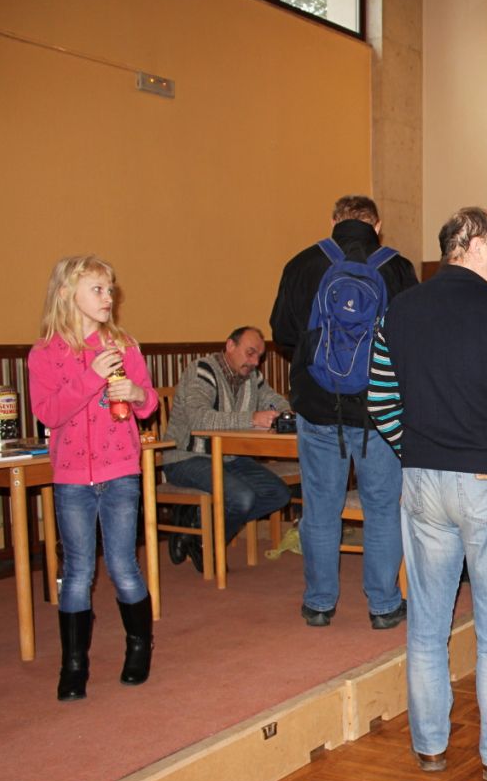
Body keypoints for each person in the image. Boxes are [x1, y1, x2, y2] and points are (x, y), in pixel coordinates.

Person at [369, 206, 487, 781]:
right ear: (469, 244)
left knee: (426, 625)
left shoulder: (399, 309)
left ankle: (430, 748)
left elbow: (380, 399)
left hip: (423, 481)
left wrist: (414, 450)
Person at [269, 195, 417, 629]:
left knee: (320, 507)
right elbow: (411, 340)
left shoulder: (302, 264)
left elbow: (282, 331)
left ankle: (319, 604)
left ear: (334, 220)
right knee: (383, 508)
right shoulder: (397, 268)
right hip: (380, 412)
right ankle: (384, 606)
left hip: (319, 408)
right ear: (378, 225)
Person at [28, 254, 159, 701]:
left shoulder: (124, 346)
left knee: (123, 565)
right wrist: (90, 377)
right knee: (77, 570)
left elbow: (148, 403)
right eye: (98, 290)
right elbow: (48, 413)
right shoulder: (45, 354)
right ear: (68, 294)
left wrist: (137, 393)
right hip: (71, 478)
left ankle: (139, 646)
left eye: (110, 289)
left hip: (119, 471)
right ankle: (74, 663)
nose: (108, 297)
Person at [161, 326, 292, 573]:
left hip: (229, 457)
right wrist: (251, 418)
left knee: (279, 494)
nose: (255, 362)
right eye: (250, 353)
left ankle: (197, 528)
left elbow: (275, 400)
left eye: (259, 356)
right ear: (230, 346)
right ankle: (205, 541)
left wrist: (284, 413)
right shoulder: (201, 371)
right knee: (242, 498)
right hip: (186, 457)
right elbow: (200, 420)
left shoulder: (252, 376)